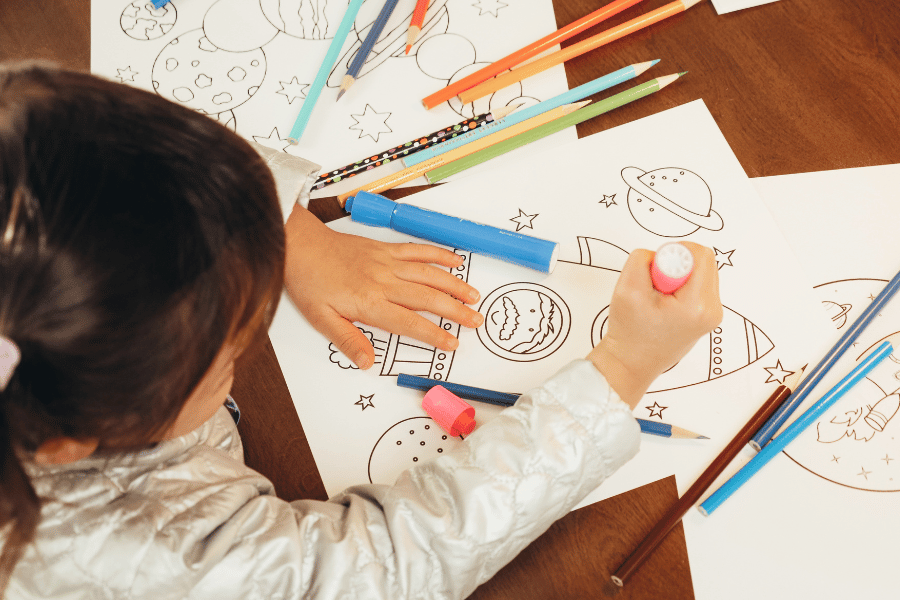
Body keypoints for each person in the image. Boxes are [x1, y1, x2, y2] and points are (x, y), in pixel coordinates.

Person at [0, 62, 723, 599]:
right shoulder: (134, 558)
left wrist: (293, 235)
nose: (250, 338)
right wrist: (621, 370)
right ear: (69, 440)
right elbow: (387, 567)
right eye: (226, 350)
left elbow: (118, 158)